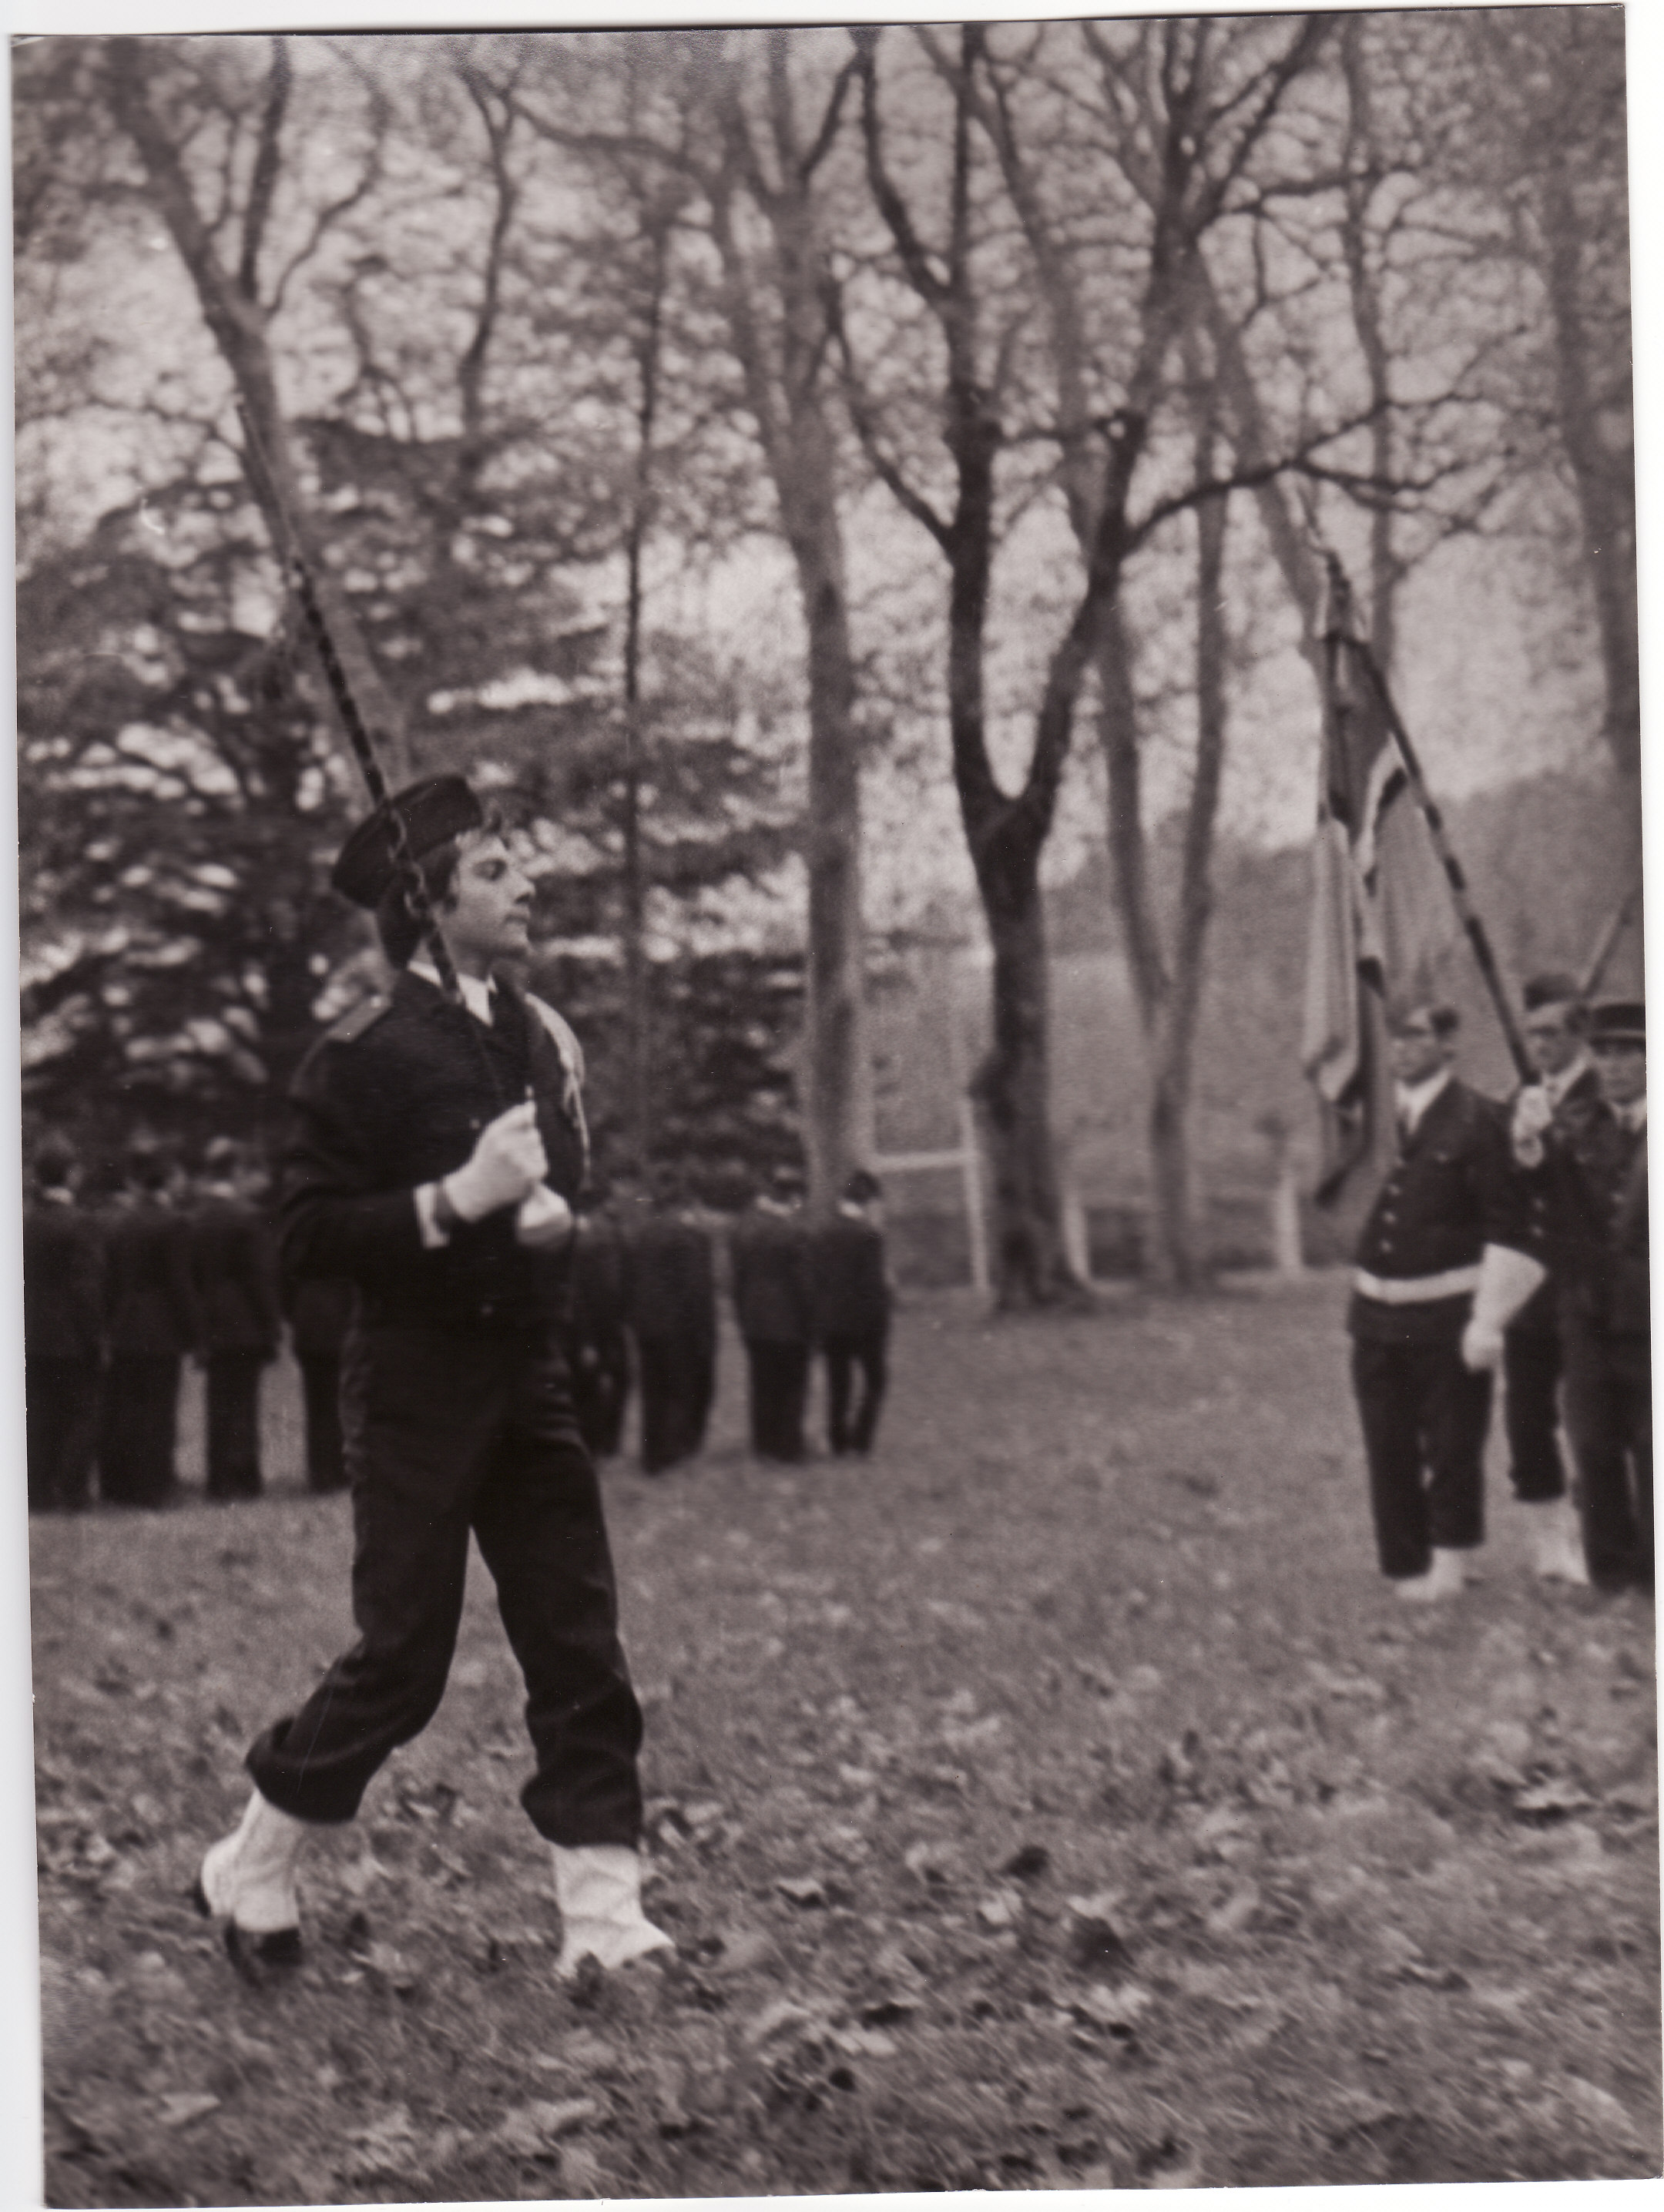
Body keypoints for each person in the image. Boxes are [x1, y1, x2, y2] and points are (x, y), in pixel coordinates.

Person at [195, 775, 669, 1979]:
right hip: (413, 1384)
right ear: (428, 900)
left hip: (527, 1375)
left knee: (577, 1638)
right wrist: (455, 1201)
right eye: (496, 871)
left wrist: (549, 1218)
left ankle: (605, 1921)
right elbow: (305, 1237)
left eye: (520, 865)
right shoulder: (359, 1055)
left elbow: (560, 1181)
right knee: (402, 1662)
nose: (529, 885)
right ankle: (255, 1857)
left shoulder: (537, 1034)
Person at [1347, 1000, 1535, 1601]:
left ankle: (1450, 1563)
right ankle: (1405, 1565)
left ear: (1449, 1044)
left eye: (1416, 1036)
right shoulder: (1377, 1120)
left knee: (1452, 1444)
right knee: (1388, 1442)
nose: (1401, 1048)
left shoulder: (1480, 1121)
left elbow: (1509, 1225)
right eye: (1394, 1036)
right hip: (1378, 1313)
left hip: (1446, 1311)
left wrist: (1489, 1319)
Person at [1498, 999, 1651, 1593]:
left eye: (1629, 1054)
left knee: (1653, 1445)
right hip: (1587, 1313)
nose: (1614, 1066)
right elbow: (1539, 1187)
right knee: (1593, 1443)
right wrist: (1528, 1143)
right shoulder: (1577, 1126)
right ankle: (1610, 1574)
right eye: (1605, 1054)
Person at [1498, 974, 1601, 1583]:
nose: (1540, 1044)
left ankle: (1596, 1534)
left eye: (1552, 1032)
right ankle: (1549, 1540)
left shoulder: (1608, 1092)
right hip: (1529, 1285)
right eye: (1532, 1032)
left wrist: (1548, 1140)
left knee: (1591, 1415)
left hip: (1589, 1284)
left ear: (1581, 1033)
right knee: (1527, 1414)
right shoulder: (1520, 1096)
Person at [99, 1139, 201, 1507]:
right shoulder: (174, 1223)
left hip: (124, 1324)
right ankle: (155, 1485)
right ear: (166, 1180)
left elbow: (108, 1280)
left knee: (126, 1408)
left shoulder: (116, 1221)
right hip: (161, 1327)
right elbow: (180, 1283)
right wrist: (195, 1332)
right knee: (158, 1410)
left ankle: (121, 1485)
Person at [190, 1138, 283, 1501]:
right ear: (237, 1170)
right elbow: (260, 1278)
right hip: (245, 1322)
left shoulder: (197, 1216)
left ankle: (218, 1479)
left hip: (211, 1319)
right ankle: (243, 1478)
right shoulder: (247, 1217)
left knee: (218, 1403)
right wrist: (272, 1325)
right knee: (243, 1401)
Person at [22, 1134, 105, 1514]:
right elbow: (86, 1289)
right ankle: (72, 1491)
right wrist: (95, 1337)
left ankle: (37, 1491)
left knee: (39, 1415)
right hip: (70, 1335)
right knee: (81, 1414)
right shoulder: (81, 1223)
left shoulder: (25, 1220)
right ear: (72, 1174)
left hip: (30, 1332)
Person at [624, 1162, 716, 1475]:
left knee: (653, 1390)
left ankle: (652, 1452)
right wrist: (704, 1329)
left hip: (647, 1324)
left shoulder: (640, 1233)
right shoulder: (688, 1236)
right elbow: (696, 1288)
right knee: (679, 1388)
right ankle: (673, 1451)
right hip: (679, 1325)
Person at [731, 1161, 813, 1463]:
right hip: (791, 1320)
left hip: (755, 1319)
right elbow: (805, 1283)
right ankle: (789, 1446)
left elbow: (738, 1280)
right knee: (792, 1385)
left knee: (762, 1383)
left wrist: (743, 1316)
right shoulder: (794, 1231)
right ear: (792, 1195)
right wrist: (812, 1320)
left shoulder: (745, 1226)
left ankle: (764, 1444)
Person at [811, 1168, 891, 1457]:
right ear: (868, 1201)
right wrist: (882, 1321)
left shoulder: (822, 1233)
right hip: (865, 1324)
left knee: (839, 1384)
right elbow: (873, 1286)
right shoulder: (869, 1235)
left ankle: (838, 1441)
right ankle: (861, 1440)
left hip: (832, 1322)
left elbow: (816, 1280)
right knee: (876, 1381)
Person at [568, 1185, 632, 1461]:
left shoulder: (583, 1232)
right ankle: (601, 1443)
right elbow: (605, 1286)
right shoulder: (601, 1236)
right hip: (599, 1323)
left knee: (595, 1383)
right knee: (605, 1382)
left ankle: (598, 1442)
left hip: (590, 1323)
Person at [285, 1275, 355, 1495]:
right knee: (337, 1406)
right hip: (337, 1331)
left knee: (317, 1407)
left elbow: (284, 1288)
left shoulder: (298, 1256)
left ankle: (319, 1472)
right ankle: (337, 1471)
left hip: (308, 1330)